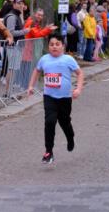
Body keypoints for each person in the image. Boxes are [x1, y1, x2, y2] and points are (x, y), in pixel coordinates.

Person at [27, 31, 84, 165]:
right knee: (50, 121)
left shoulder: (68, 59)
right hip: (49, 97)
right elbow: (37, 70)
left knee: (64, 122)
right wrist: (30, 86)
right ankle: (49, 152)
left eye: (57, 44)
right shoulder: (44, 59)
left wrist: (78, 88)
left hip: (64, 98)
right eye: (52, 44)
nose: (54, 47)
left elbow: (80, 73)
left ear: (63, 46)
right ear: (48, 47)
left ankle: (70, 138)